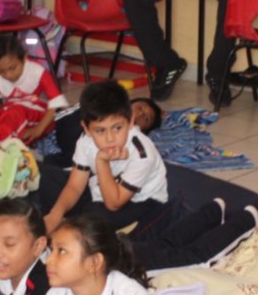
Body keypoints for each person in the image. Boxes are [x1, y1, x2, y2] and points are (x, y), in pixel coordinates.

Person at [42, 80, 168, 236]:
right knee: (44, 177)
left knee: (93, 220)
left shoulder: (142, 153)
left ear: (130, 121)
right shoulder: (86, 141)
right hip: (100, 190)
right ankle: (70, 222)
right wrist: (55, 214)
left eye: (117, 128)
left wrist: (102, 162)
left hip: (140, 203)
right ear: (86, 129)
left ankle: (85, 228)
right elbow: (74, 186)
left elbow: (114, 203)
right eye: (100, 131)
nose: (110, 139)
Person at [0, 32, 68, 149]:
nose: (8, 75)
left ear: (24, 57)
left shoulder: (38, 72)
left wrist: (39, 129)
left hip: (40, 117)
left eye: (12, 68)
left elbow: (57, 104)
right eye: (2, 71)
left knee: (15, 112)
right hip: (12, 115)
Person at [48, 96, 164, 169]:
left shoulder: (131, 137)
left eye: (146, 118)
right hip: (69, 122)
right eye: (139, 108)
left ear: (143, 130)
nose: (140, 114)